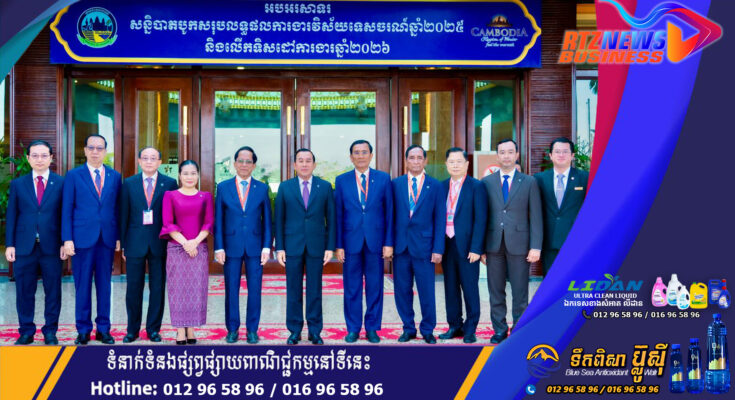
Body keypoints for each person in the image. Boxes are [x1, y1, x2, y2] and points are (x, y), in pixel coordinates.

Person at [62, 134, 121, 345]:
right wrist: (67, 239)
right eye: (91, 148)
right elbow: (67, 209)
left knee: (105, 286)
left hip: (106, 239)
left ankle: (104, 329)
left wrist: (118, 237)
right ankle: (83, 330)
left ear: (105, 151)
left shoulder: (115, 176)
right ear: (85, 150)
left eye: (100, 148)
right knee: (82, 286)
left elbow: (117, 209)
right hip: (81, 239)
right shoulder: (73, 175)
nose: (95, 151)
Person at [481, 139, 542, 344]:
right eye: (502, 152)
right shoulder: (487, 182)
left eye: (510, 152)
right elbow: (482, 217)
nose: (506, 156)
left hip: (520, 244)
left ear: (516, 155)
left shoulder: (529, 182)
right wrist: (481, 248)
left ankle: (519, 328)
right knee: (495, 290)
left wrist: (535, 246)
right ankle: (499, 330)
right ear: (497, 156)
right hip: (493, 244)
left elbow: (536, 216)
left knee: (520, 290)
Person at [5, 140, 66, 345]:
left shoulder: (61, 183)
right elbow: (12, 215)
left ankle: (50, 331)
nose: (39, 159)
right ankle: (26, 331)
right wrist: (10, 244)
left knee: (53, 291)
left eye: (44, 155)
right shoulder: (18, 184)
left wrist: (65, 242)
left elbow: (65, 215)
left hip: (52, 246)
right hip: (24, 246)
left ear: (51, 158)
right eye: (35, 155)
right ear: (28, 158)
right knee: (24, 290)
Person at [334, 140, 394, 344]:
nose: (360, 156)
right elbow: (338, 215)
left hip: (375, 242)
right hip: (350, 242)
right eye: (356, 153)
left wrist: (388, 242)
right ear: (351, 157)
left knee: (375, 286)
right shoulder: (342, 180)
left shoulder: (383, 179)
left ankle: (372, 328)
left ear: (371, 155)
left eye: (364, 152)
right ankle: (352, 329)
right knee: (352, 287)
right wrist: (339, 245)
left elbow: (389, 213)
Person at [275, 148, 336, 345]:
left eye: (308, 160)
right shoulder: (285, 187)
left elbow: (331, 219)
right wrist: (280, 247)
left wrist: (330, 247)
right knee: (293, 290)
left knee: (314, 290)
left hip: (317, 246)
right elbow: (279, 219)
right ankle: (294, 330)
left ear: (314, 164)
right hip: (292, 246)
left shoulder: (325, 187)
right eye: (300, 160)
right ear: (294, 165)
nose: (304, 164)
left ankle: (315, 331)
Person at [119, 147, 178, 343]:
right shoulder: (129, 183)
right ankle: (132, 330)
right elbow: (124, 214)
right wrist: (124, 243)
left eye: (153, 158)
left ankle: (153, 329)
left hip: (159, 242)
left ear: (160, 162)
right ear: (139, 161)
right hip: (134, 242)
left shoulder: (169, 183)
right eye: (145, 158)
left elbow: (173, 215)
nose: (149, 161)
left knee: (157, 288)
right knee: (133, 288)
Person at [214, 146, 272, 344]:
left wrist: (267, 247)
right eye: (241, 161)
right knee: (231, 290)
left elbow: (267, 221)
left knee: (255, 290)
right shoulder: (223, 187)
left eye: (248, 161)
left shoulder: (262, 188)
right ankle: (232, 329)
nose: (244, 165)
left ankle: (252, 330)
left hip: (256, 247)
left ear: (253, 165)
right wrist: (219, 247)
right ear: (235, 163)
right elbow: (219, 220)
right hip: (231, 246)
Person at [391, 145, 445, 344]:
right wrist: (389, 244)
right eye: (412, 158)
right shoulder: (395, 184)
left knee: (426, 291)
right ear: (406, 161)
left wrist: (438, 248)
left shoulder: (435, 185)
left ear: (425, 161)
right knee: (402, 291)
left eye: (419, 157)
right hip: (401, 247)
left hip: (425, 247)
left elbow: (440, 219)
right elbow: (390, 217)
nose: (415, 161)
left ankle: (428, 329)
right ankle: (408, 328)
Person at [160, 160, 214, 345]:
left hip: (199, 249)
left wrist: (195, 243)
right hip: (177, 248)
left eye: (193, 173)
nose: (189, 177)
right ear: (179, 176)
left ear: (198, 175)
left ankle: (190, 327)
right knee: (177, 289)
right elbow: (168, 223)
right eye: (185, 173)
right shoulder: (170, 195)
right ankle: (179, 330)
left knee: (196, 289)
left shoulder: (205, 196)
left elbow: (208, 223)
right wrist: (186, 244)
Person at [439, 147, 488, 344]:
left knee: (469, 288)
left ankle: (470, 329)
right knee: (450, 288)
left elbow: (481, 219)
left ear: (467, 164)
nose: (455, 165)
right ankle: (454, 325)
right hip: (447, 244)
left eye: (459, 161)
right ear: (446, 164)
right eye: (451, 162)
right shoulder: (441, 186)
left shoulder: (476, 186)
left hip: (468, 247)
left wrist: (477, 248)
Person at [533, 137, 589, 275]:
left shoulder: (585, 177)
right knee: (551, 280)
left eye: (565, 151)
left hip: (576, 240)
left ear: (572, 155)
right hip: (549, 240)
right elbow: (535, 210)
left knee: (574, 280)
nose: (561, 155)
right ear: (551, 155)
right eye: (557, 151)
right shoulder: (539, 178)